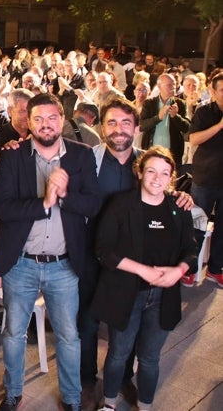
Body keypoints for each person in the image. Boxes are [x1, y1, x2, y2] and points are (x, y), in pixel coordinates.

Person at [0, 92, 101, 411]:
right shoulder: (13, 155)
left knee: (69, 337)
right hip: (20, 264)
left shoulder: (82, 156)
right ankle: (13, 392)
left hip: (64, 266)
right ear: (29, 121)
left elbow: (93, 205)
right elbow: (3, 207)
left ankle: (71, 398)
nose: (45, 124)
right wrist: (44, 204)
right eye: (38, 118)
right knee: (13, 333)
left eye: (52, 117)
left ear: (63, 119)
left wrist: (65, 195)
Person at [92, 147, 197, 411]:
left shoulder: (179, 207)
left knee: (150, 358)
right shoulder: (121, 204)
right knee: (118, 353)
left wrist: (179, 270)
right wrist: (143, 270)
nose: (157, 178)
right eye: (151, 171)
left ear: (171, 177)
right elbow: (103, 250)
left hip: (164, 296)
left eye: (164, 173)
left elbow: (191, 249)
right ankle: (109, 403)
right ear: (139, 172)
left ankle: (146, 405)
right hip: (126, 293)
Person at [189, 72, 223, 287]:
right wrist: (220, 125)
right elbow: (194, 139)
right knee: (197, 224)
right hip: (205, 178)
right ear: (213, 91)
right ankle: (190, 268)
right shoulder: (204, 113)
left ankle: (215, 268)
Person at [139, 73, 190, 168]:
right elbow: (141, 126)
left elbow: (187, 127)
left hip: (173, 153)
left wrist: (176, 117)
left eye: (175, 84)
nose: (173, 87)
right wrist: (157, 118)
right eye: (169, 85)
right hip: (151, 151)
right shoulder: (149, 103)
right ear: (159, 86)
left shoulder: (180, 104)